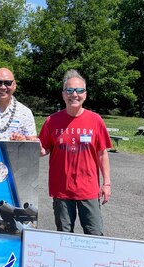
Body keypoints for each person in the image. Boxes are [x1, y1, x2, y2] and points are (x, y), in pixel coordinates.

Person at [39, 69, 112, 236]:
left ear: (85, 95)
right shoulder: (52, 121)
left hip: (88, 189)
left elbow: (102, 154)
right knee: (64, 236)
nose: (75, 94)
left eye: (79, 90)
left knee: (94, 235)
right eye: (70, 90)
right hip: (62, 190)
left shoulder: (95, 120)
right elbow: (44, 150)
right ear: (63, 94)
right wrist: (34, 147)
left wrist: (106, 183)